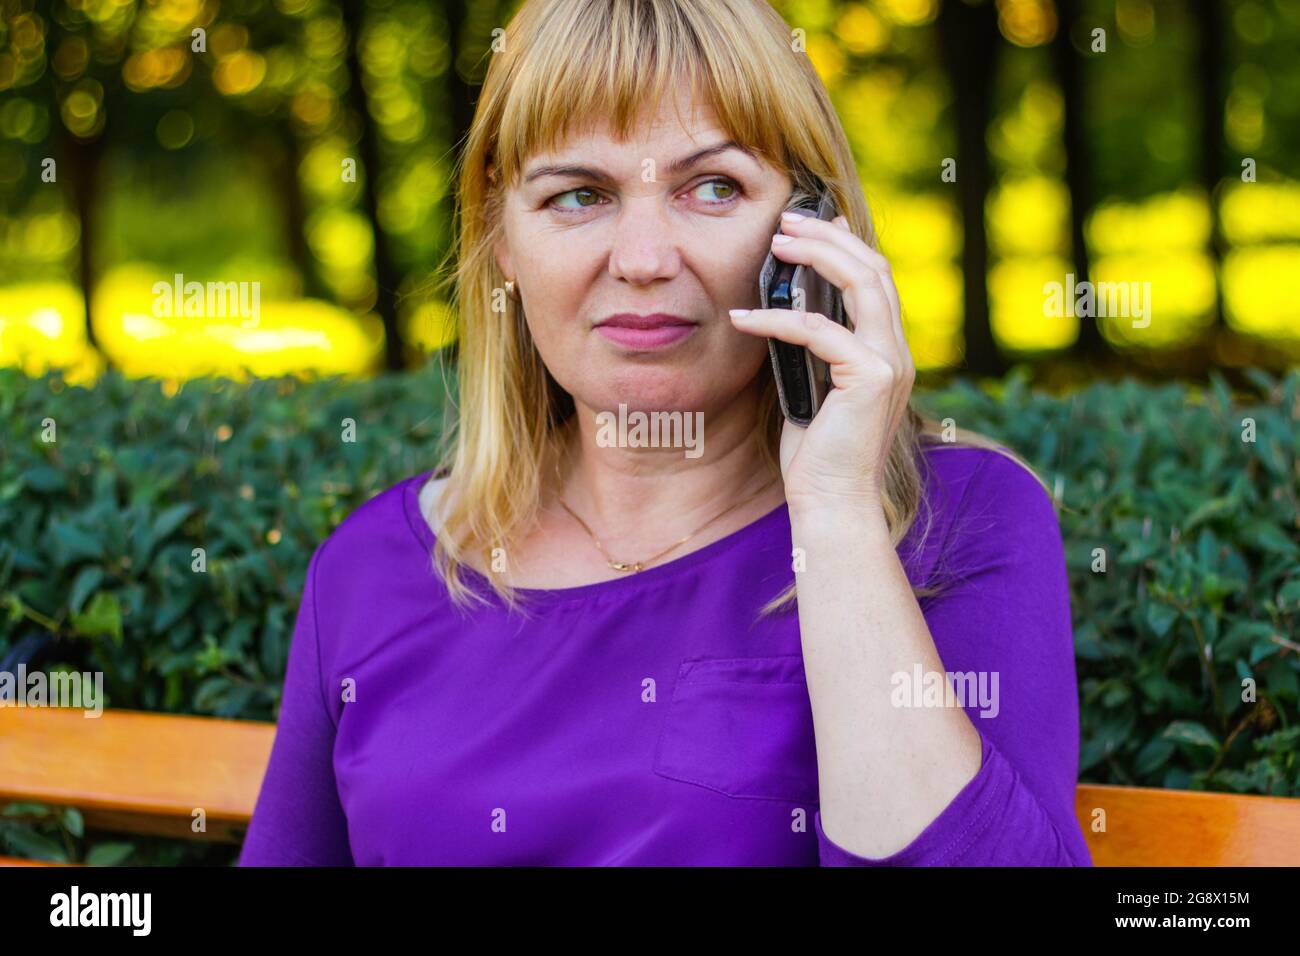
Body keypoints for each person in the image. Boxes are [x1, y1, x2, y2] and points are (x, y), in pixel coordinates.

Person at [240, 0, 1092, 866]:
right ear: (503, 237)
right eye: (579, 195)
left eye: (712, 188)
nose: (643, 259)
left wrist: (835, 511)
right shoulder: (372, 568)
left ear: (810, 230)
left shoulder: (956, 527)